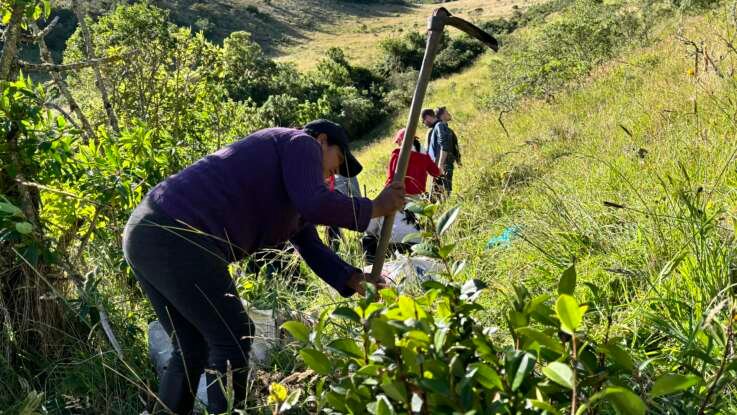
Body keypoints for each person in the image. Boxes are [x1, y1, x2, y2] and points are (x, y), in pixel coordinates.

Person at [122, 119, 405, 414]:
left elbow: (310, 245)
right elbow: (315, 204)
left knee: (191, 346)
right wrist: (373, 207)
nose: (336, 171)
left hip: (145, 232)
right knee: (232, 337)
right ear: (322, 140)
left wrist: (354, 279)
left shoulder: (292, 189)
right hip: (174, 231)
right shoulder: (300, 143)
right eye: (340, 159)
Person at [362, 128, 439, 264]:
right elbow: (436, 172)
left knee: (371, 226)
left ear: (400, 141)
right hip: (418, 202)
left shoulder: (397, 153)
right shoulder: (424, 155)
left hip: (398, 198)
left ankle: (371, 257)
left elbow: (391, 180)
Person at [427, 106, 462, 199]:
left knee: (444, 190)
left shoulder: (449, 130)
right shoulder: (437, 128)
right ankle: (438, 209)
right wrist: (439, 164)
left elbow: (455, 147)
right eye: (447, 113)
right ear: (442, 116)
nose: (449, 114)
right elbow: (440, 147)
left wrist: (459, 161)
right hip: (441, 164)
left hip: (446, 164)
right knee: (441, 191)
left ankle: (440, 208)